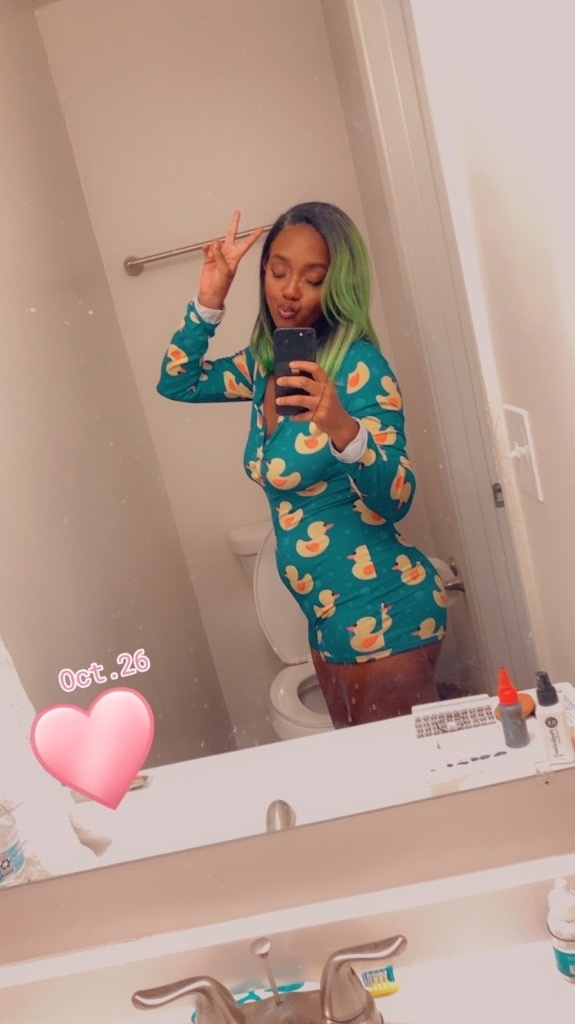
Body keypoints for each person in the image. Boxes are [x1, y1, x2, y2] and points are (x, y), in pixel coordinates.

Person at [158, 202, 447, 727]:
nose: (289, 291)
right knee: (360, 766)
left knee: (399, 773)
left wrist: (343, 427)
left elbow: (398, 497)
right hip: (326, 621)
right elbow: (178, 383)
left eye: (312, 280)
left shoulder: (359, 366)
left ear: (336, 288)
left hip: (386, 609)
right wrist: (209, 300)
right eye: (278, 271)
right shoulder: (264, 365)